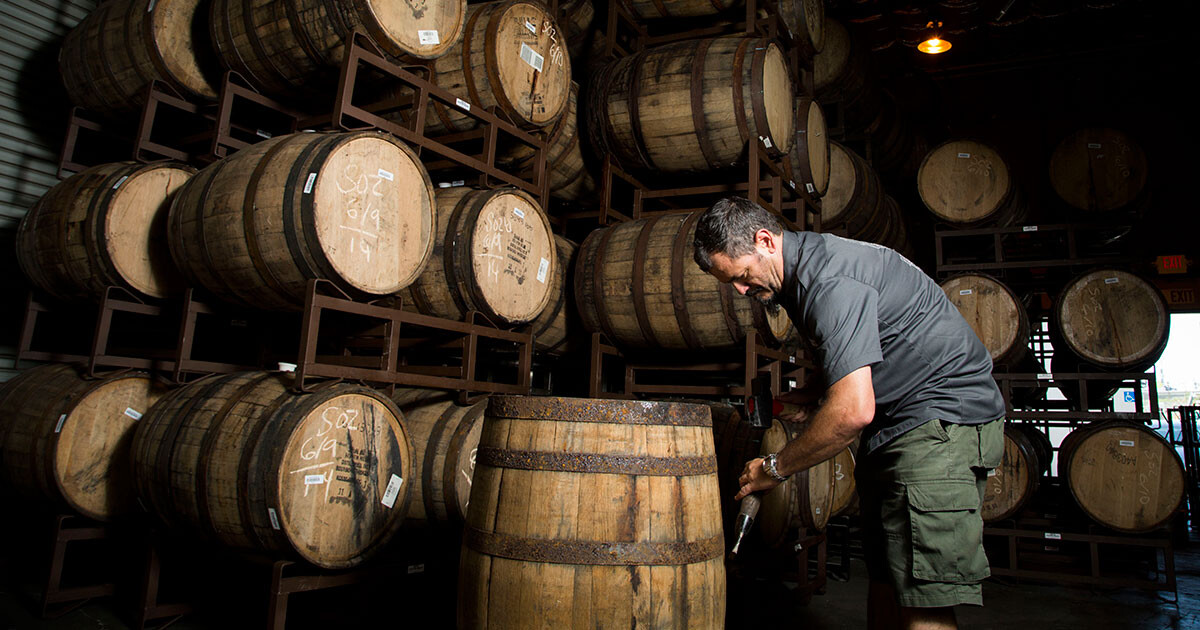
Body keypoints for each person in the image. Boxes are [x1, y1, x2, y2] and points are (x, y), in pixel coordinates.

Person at [693, 196, 1005, 630]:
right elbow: (857, 347)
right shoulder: (800, 277)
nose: (742, 291)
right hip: (899, 426)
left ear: (765, 240)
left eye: (742, 276)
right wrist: (814, 394)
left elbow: (853, 411)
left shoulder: (829, 280)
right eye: (733, 284)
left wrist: (774, 468)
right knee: (887, 577)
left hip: (941, 422)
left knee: (922, 595)